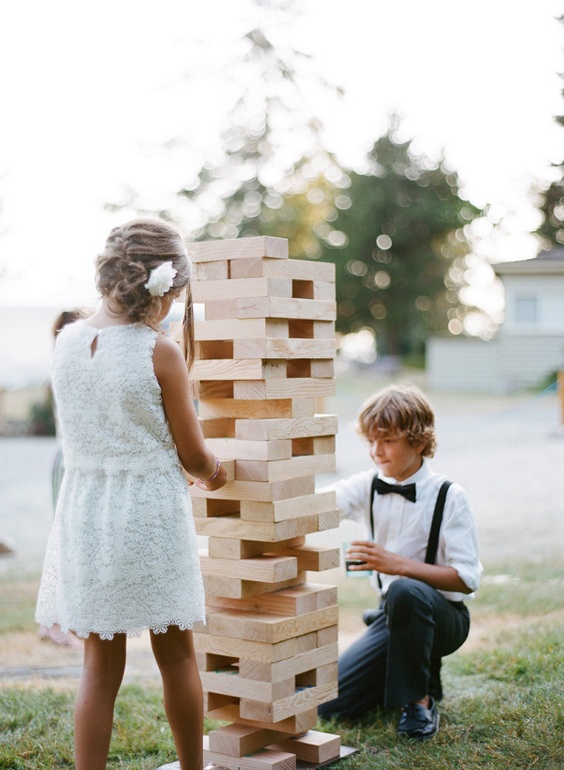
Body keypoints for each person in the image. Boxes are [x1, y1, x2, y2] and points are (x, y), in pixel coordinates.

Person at [35, 219, 227, 770]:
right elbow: (192, 456)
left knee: (99, 667)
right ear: (164, 288)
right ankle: (194, 766)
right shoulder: (158, 352)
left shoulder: (67, 342)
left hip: (85, 515)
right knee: (176, 654)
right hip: (147, 517)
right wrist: (215, 475)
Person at [318, 384, 481, 741]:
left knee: (406, 589)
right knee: (329, 706)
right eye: (371, 442)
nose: (376, 452)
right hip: (393, 614)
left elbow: (467, 580)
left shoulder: (450, 496)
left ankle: (418, 703)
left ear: (419, 442)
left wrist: (397, 564)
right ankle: (408, 671)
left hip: (445, 621)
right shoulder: (368, 485)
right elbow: (316, 506)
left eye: (388, 441)